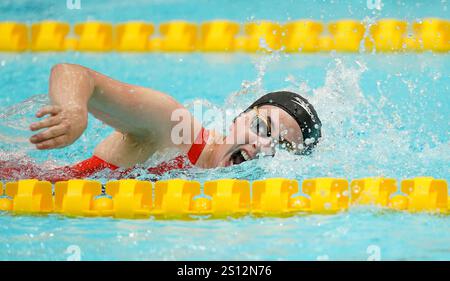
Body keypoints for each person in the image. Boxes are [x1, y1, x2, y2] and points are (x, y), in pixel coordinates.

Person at [1, 63, 322, 181]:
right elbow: (72, 73)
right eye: (263, 128)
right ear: (238, 118)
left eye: (280, 145)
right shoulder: (172, 128)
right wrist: (73, 111)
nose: (264, 144)